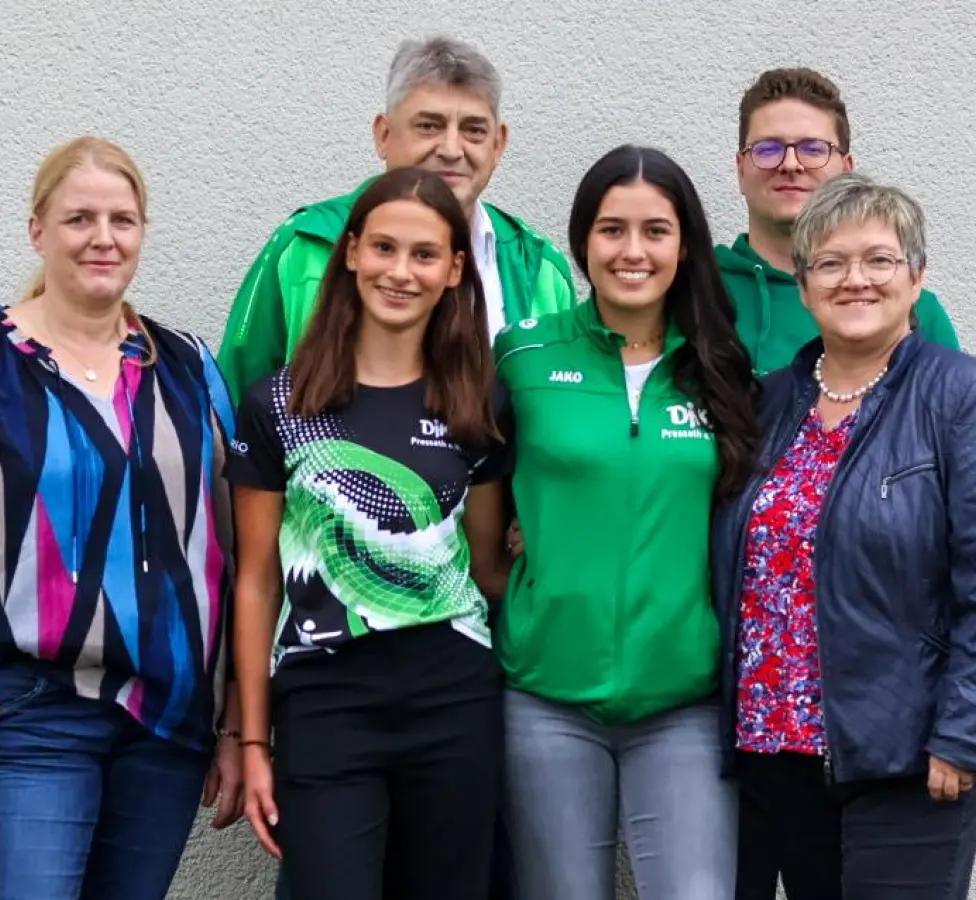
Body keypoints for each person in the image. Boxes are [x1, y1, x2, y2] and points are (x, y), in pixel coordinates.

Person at [0, 136, 243, 899]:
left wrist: (234, 719)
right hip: (27, 715)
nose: (103, 238)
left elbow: (230, 546)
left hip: (166, 722)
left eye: (123, 220)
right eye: (79, 219)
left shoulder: (190, 367)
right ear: (38, 230)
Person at [712, 172, 976, 900]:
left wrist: (966, 732)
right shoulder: (768, 405)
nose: (853, 279)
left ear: (916, 277)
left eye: (878, 260)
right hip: (778, 749)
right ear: (803, 286)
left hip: (911, 751)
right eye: (829, 263)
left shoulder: (968, 397)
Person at [229, 166, 515, 900]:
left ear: (455, 270)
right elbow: (256, 580)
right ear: (351, 253)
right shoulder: (279, 405)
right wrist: (252, 741)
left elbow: (486, 568)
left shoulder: (480, 400)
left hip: (454, 695)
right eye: (384, 248)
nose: (401, 271)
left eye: (424, 255)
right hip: (326, 701)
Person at [492, 145, 760, 900]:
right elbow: (485, 518)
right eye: (612, 230)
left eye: (656, 231)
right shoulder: (523, 355)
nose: (633, 251)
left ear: (685, 245)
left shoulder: (723, 369)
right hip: (546, 699)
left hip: (684, 704)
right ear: (582, 241)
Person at [217, 34, 576, 405]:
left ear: (498, 144)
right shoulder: (304, 246)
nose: (452, 150)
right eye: (429, 125)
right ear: (384, 135)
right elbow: (234, 405)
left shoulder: (540, 267)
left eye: (473, 130)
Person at [718, 67, 959, 375]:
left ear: (847, 170)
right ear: (740, 170)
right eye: (768, 149)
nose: (790, 164)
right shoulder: (694, 291)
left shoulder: (909, 308)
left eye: (813, 149)